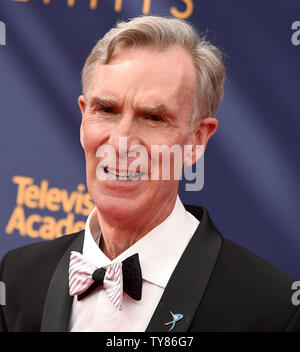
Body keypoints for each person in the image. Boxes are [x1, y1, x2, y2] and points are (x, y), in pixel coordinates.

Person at [0, 15, 299, 332]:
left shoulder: (273, 310)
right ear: (83, 117)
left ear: (197, 139)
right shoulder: (16, 279)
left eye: (154, 118)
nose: (121, 143)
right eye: (107, 110)